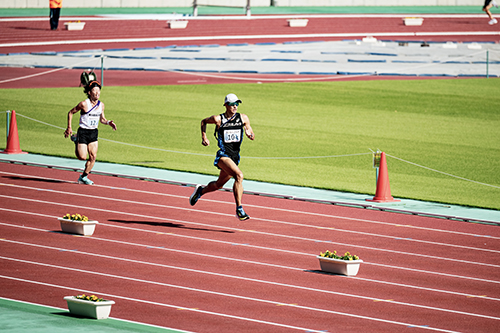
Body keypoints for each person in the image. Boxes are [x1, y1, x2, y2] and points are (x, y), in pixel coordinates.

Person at [189, 93, 255, 221]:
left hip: (235, 157)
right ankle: (239, 209)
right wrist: (204, 137)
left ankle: (200, 191)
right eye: (232, 104)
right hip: (223, 156)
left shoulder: (243, 118)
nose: (235, 106)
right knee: (239, 176)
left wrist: (250, 134)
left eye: (237, 104)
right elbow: (203, 121)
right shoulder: (218, 119)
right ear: (226, 105)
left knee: (219, 185)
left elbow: (251, 133)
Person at [64, 81, 117, 185]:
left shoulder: (101, 105)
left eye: (99, 90)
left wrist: (108, 122)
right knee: (82, 157)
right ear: (89, 92)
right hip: (83, 132)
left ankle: (84, 176)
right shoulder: (84, 104)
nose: (97, 93)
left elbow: (102, 119)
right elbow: (70, 112)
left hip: (93, 132)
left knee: (93, 157)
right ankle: (76, 140)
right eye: (94, 90)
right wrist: (69, 127)